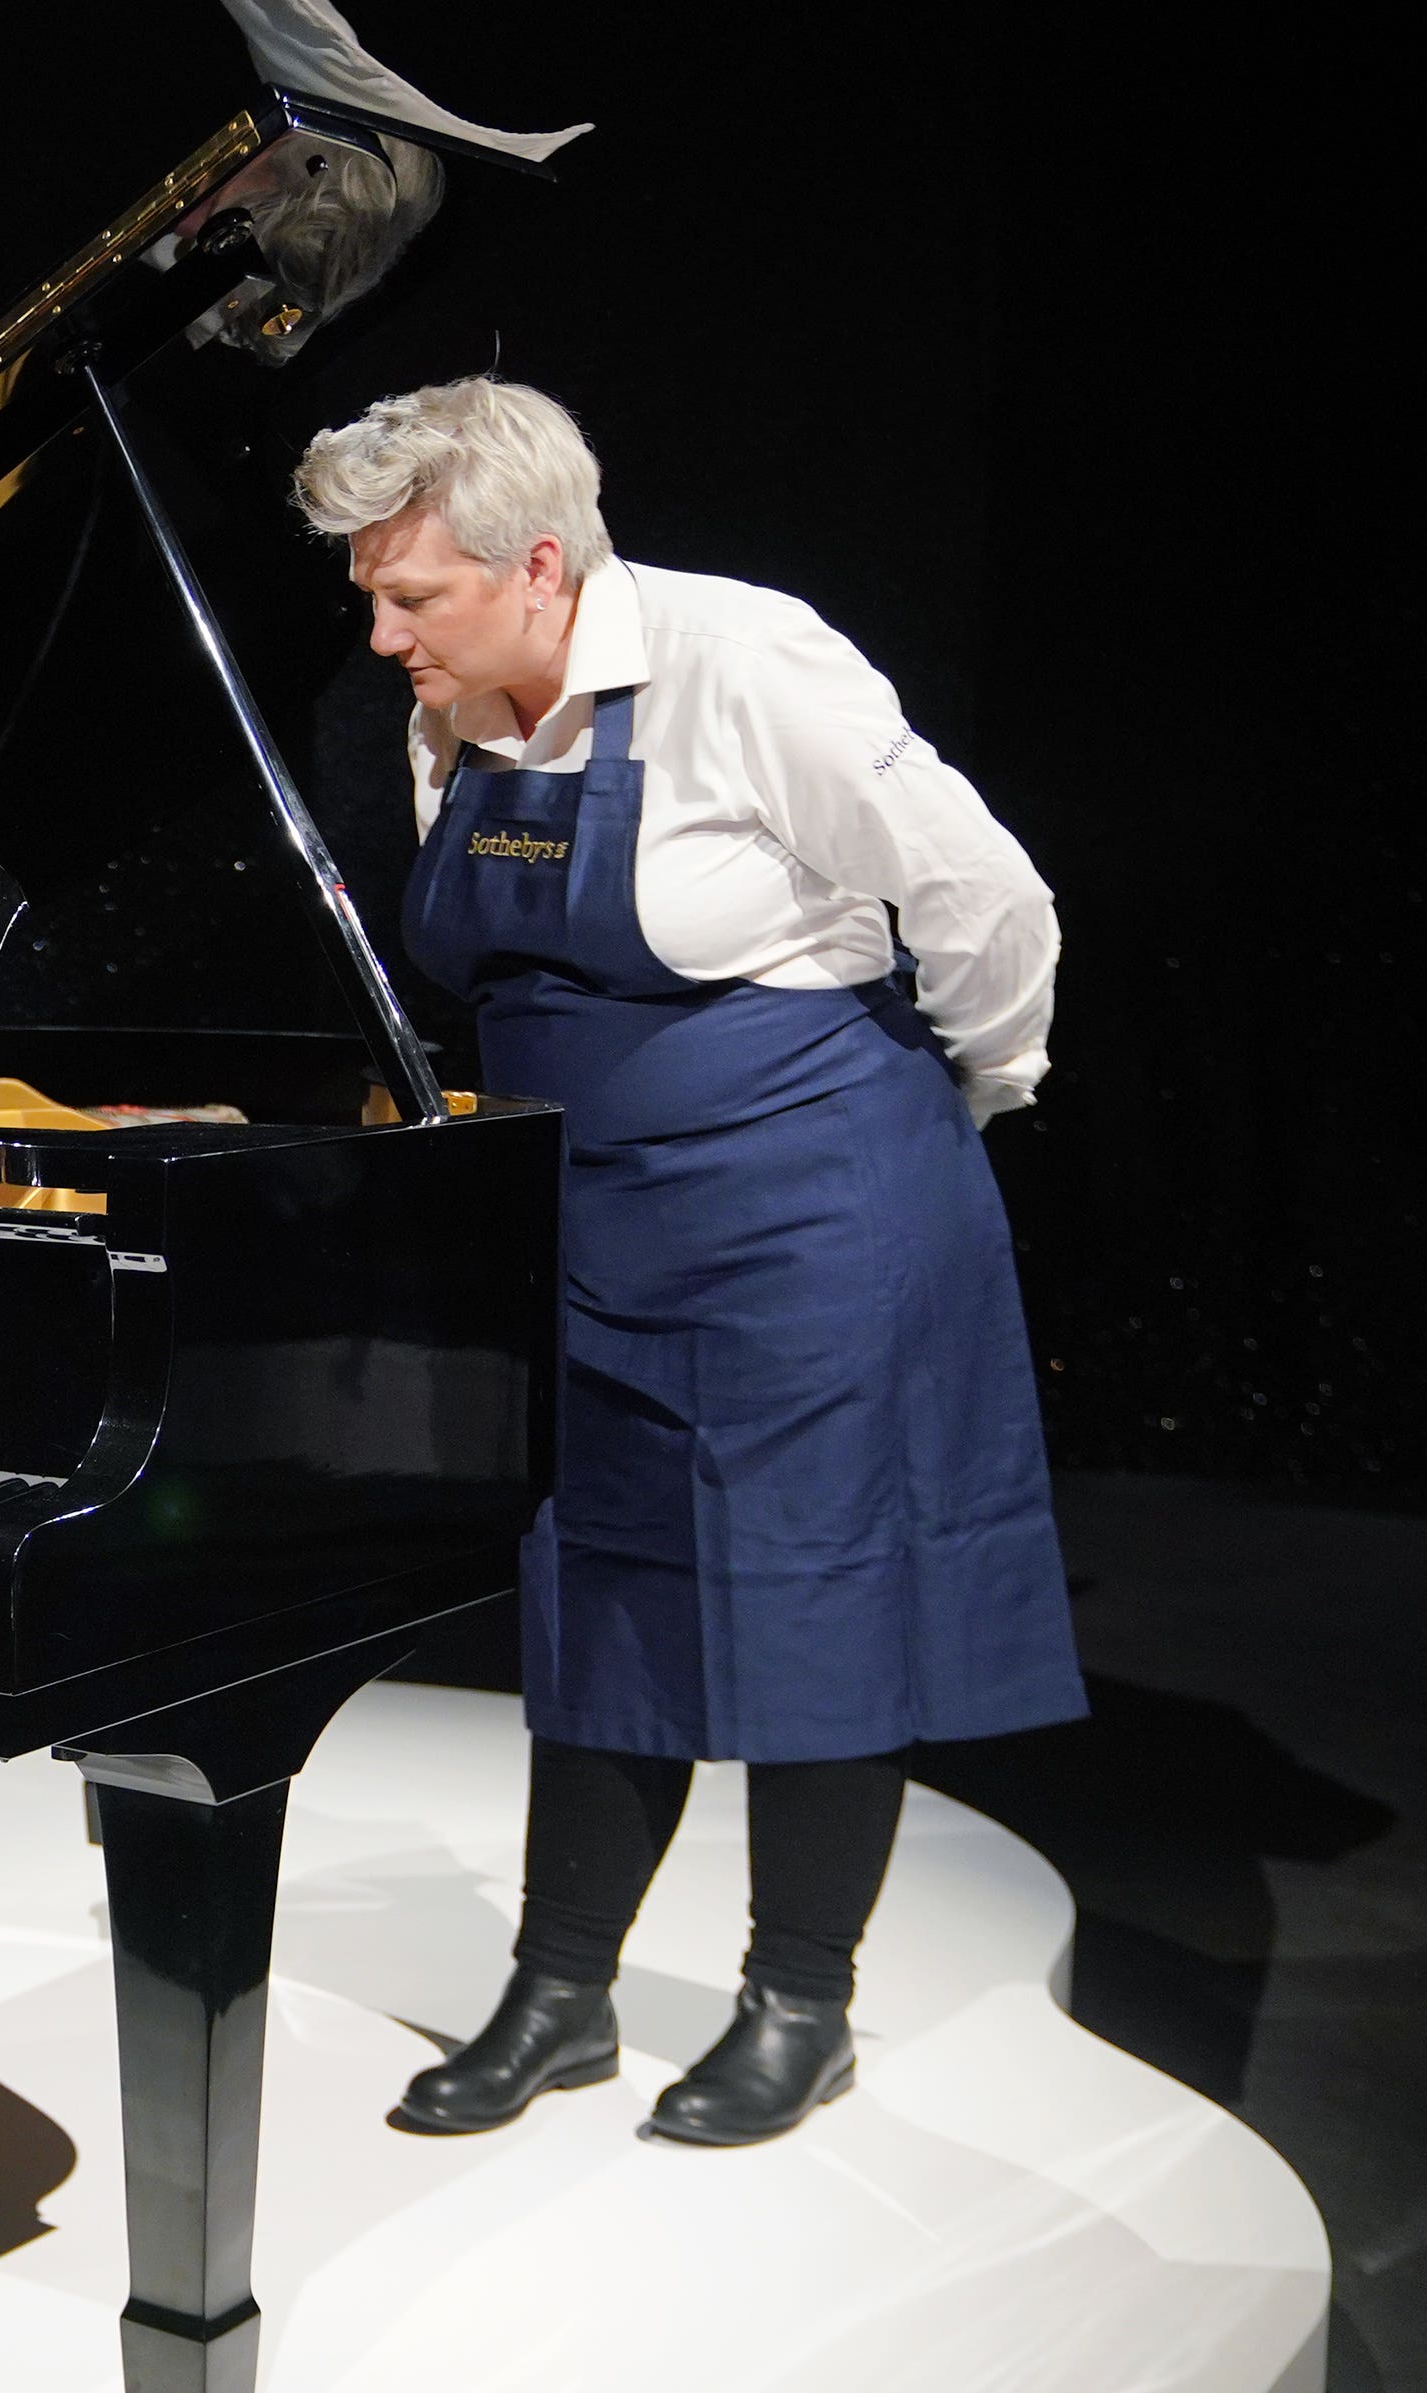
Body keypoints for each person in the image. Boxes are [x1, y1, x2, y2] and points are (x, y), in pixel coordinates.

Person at [295, 380, 1083, 2147]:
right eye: (368, 590)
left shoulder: (747, 666)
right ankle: (559, 1993)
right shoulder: (456, 711)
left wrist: (967, 1094)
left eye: (409, 594)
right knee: (600, 1590)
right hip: (585, 1219)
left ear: (541, 564)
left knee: (818, 1595)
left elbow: (988, 904)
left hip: (808, 1206)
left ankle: (800, 1999)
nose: (380, 630)